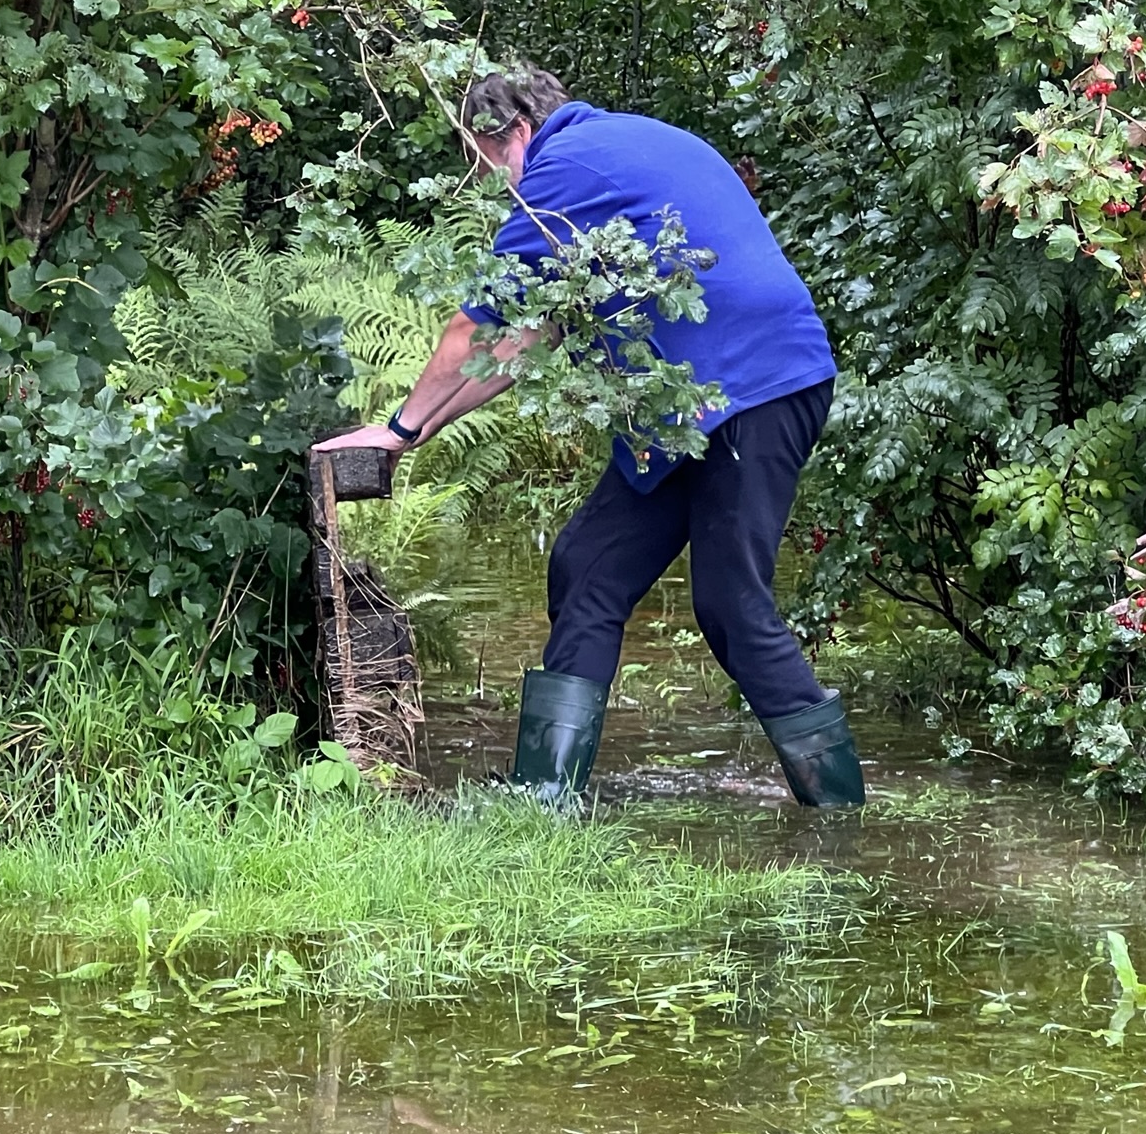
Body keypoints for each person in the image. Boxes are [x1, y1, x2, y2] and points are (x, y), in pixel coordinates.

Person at [312, 66, 863, 807]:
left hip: (754, 389)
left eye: (488, 162)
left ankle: (836, 810)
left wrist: (402, 423)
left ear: (514, 133)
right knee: (586, 566)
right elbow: (519, 346)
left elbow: (474, 327)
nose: (495, 182)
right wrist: (411, 436)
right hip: (684, 410)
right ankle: (546, 798)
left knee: (731, 604)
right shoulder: (622, 148)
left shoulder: (564, 168)